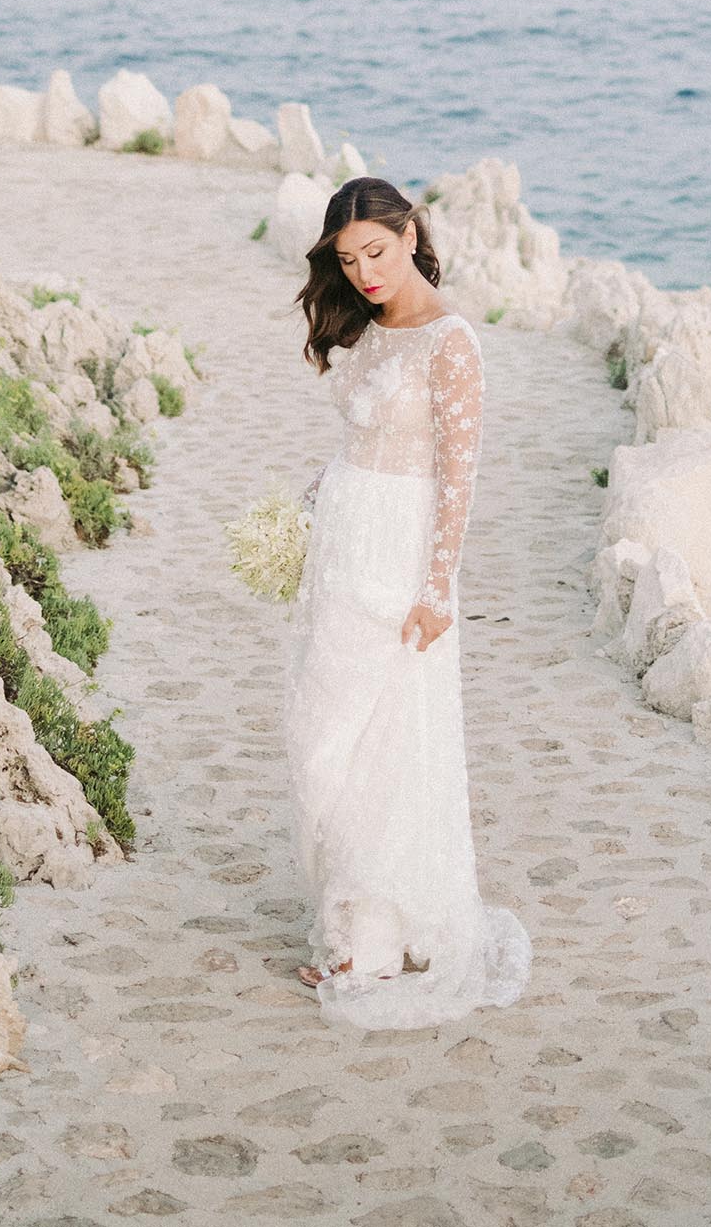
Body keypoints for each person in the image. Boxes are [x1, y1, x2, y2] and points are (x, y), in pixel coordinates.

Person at [280, 175, 532, 1028]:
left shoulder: (450, 343)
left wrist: (437, 591)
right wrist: (304, 511)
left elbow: (458, 479)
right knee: (322, 741)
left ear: (411, 232)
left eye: (376, 254)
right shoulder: (371, 329)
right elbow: (364, 443)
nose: (363, 275)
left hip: (399, 565)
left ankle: (372, 945)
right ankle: (350, 925)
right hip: (340, 550)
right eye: (348, 261)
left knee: (380, 747)